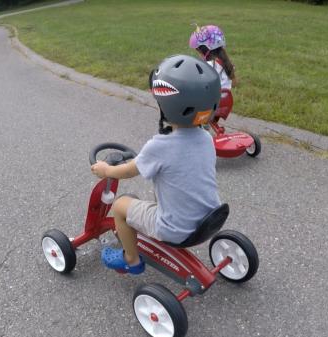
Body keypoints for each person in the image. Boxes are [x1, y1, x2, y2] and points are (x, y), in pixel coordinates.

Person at [90, 54, 222, 274]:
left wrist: (106, 170)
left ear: (167, 106)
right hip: (209, 218)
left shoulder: (160, 146)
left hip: (177, 229)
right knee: (136, 199)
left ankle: (131, 260)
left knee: (120, 205)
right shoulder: (206, 138)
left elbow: (127, 171)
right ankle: (137, 234)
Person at [189, 24, 236, 128]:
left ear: (205, 50)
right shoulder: (226, 63)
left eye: (198, 51)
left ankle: (199, 132)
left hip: (210, 106)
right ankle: (205, 126)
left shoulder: (208, 66)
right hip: (224, 103)